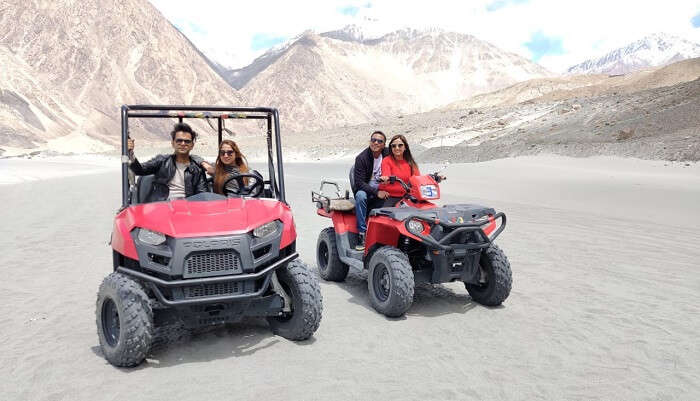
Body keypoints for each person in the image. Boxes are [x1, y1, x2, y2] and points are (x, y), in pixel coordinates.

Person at [127, 122, 208, 202]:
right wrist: (130, 153)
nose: (183, 144)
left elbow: (202, 193)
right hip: (162, 205)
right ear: (173, 143)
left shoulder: (197, 168)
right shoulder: (162, 161)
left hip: (187, 207)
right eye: (179, 141)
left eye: (187, 141)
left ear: (192, 145)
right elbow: (140, 170)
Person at [352, 131, 390, 250]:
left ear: (384, 145)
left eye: (379, 141)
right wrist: (376, 192)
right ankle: (362, 234)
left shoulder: (388, 153)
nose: (376, 143)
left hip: (383, 186)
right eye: (373, 140)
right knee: (360, 196)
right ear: (370, 141)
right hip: (366, 188)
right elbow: (359, 183)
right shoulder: (361, 158)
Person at [379, 134, 420, 206]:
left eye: (400, 145)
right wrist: (385, 178)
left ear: (405, 147)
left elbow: (417, 179)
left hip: (407, 196)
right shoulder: (387, 160)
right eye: (393, 146)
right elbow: (386, 173)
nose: (397, 148)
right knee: (386, 214)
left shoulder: (410, 162)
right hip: (391, 196)